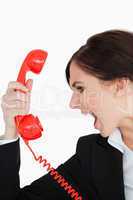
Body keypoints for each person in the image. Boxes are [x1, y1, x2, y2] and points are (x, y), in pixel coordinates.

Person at [0, 29, 133, 200]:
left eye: (80, 88)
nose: (73, 103)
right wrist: (12, 127)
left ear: (120, 85)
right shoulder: (92, 156)